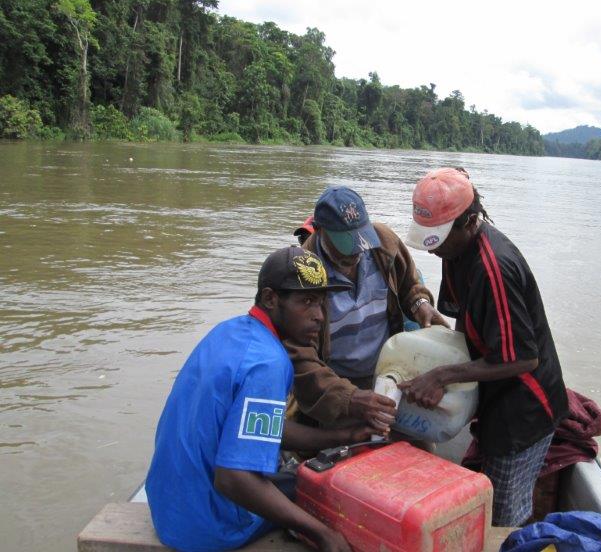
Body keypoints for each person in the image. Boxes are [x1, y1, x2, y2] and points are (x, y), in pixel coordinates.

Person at [145, 246, 380, 552]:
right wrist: (322, 533)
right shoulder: (269, 363)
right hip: (209, 528)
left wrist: (340, 436)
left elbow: (257, 426)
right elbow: (233, 479)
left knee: (296, 471)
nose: (320, 316)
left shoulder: (227, 331)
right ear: (270, 299)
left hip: (168, 508)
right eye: (306, 302)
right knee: (327, 492)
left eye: (322, 303)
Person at [399, 167, 569, 527]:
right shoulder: (455, 254)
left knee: (505, 512)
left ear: (470, 221)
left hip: (524, 409)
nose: (433, 249)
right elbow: (463, 326)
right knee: (490, 495)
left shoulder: (494, 268)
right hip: (495, 397)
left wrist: (442, 375)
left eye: (439, 237)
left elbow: (523, 358)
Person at [285, 186, 448, 431]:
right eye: (345, 243)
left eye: (361, 238)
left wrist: (420, 305)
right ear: (320, 232)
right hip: (335, 379)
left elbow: (410, 286)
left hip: (386, 367)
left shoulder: (384, 244)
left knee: (415, 443)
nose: (357, 251)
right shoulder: (302, 273)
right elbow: (300, 357)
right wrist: (350, 398)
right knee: (346, 446)